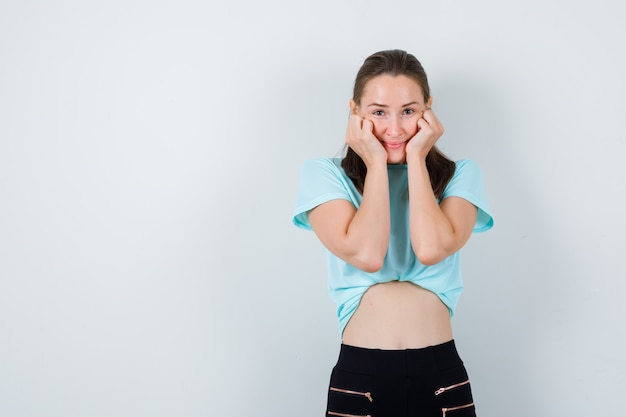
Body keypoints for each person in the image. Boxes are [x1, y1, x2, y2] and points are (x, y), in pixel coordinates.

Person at [292, 49, 493, 417]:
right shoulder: (324, 174)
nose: (396, 129)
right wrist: (376, 163)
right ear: (355, 112)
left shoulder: (461, 175)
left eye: (409, 111)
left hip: (441, 376)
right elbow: (368, 254)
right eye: (379, 112)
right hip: (361, 376)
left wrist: (417, 157)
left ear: (429, 109)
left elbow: (432, 248)